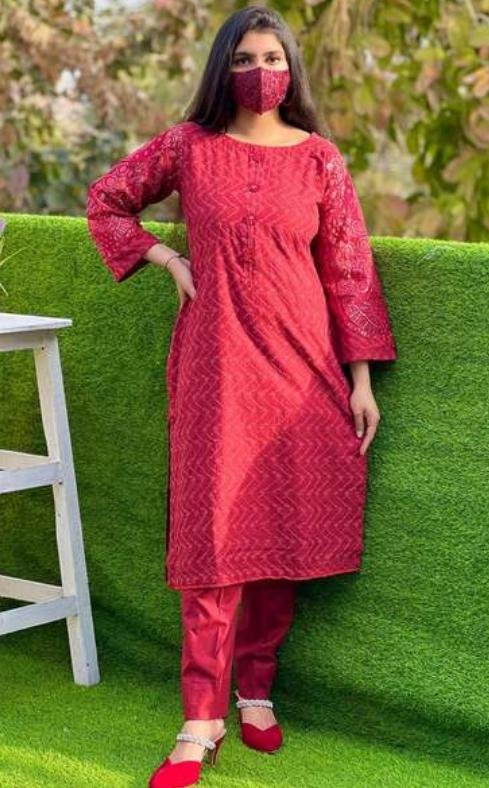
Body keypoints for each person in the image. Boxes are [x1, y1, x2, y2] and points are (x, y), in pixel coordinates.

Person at [86, 5, 398, 787]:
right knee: (213, 537)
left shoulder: (319, 158)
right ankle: (200, 719)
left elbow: (350, 270)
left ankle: (255, 689)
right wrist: (165, 257)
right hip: (216, 365)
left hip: (302, 371)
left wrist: (361, 380)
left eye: (272, 58)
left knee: (281, 527)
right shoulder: (188, 148)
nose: (261, 72)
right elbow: (108, 198)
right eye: (244, 59)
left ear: (291, 70)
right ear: (222, 69)